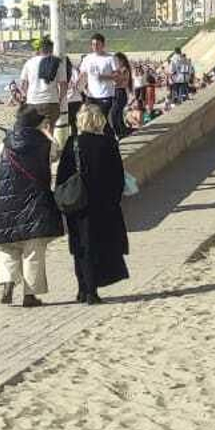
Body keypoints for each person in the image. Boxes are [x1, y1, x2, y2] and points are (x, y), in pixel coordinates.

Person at [56, 102, 129, 305]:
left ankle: (82, 288)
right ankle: (92, 291)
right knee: (96, 246)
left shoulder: (73, 143)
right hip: (102, 205)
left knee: (79, 247)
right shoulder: (108, 143)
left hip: (77, 203)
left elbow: (62, 176)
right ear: (99, 121)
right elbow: (118, 178)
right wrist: (114, 201)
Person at [0, 104, 63, 307]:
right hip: (35, 201)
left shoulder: (5, 144)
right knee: (33, 250)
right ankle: (29, 295)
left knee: (8, 246)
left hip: (6, 200)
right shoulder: (43, 143)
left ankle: (7, 282)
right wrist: (49, 135)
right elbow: (56, 154)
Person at [16, 35, 67, 131]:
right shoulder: (58, 63)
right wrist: (60, 99)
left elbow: (22, 84)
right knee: (49, 131)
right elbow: (63, 85)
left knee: (33, 131)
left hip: (32, 103)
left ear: (40, 49)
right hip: (51, 102)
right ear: (51, 49)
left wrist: (26, 96)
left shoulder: (29, 62)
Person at [75, 31, 118, 131]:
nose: (95, 46)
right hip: (90, 96)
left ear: (103, 44)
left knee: (102, 121)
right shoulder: (87, 58)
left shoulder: (110, 58)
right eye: (93, 44)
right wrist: (77, 83)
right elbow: (83, 73)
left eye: (97, 44)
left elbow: (117, 76)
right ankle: (94, 142)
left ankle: (109, 141)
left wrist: (104, 77)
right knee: (90, 120)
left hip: (105, 95)